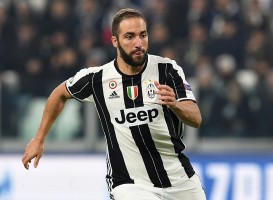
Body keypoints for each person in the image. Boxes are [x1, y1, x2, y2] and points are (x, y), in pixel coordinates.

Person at [22, 8, 206, 200]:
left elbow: (195, 118)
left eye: (143, 35)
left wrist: (175, 104)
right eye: (129, 37)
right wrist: (39, 139)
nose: (138, 43)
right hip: (130, 184)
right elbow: (59, 94)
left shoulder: (167, 69)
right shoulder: (98, 78)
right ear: (115, 41)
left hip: (180, 180)